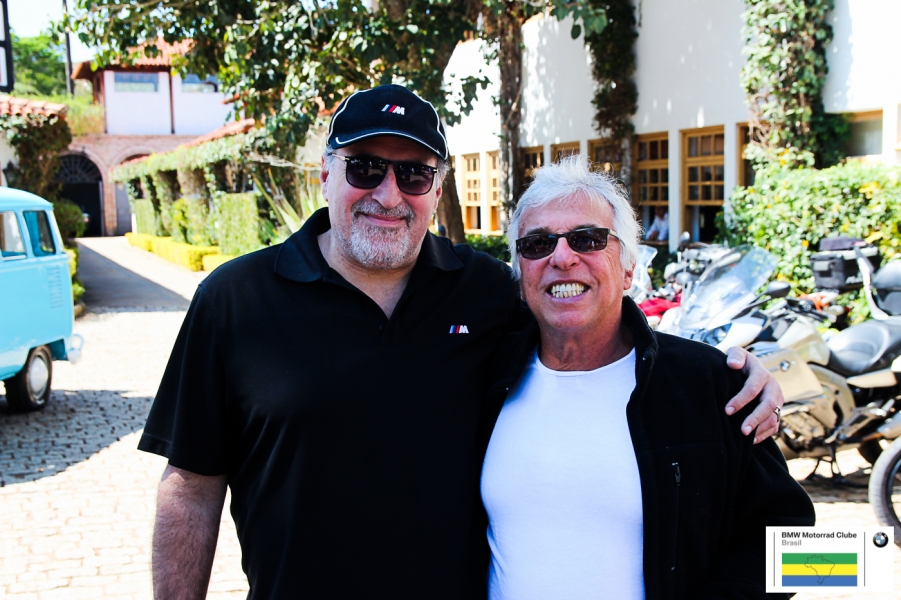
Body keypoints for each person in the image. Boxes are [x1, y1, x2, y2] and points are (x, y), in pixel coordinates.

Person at [138, 84, 786, 599]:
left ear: (629, 262)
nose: (388, 194)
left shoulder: (701, 389)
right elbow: (189, 484)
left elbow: (828, 556)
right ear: (325, 175)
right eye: (364, 168)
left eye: (588, 239)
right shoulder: (237, 299)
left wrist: (743, 372)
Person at [479, 158, 814, 600]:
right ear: (520, 274)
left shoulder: (709, 385)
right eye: (537, 244)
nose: (562, 257)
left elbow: (809, 551)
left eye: (587, 239)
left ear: (628, 269)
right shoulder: (480, 380)